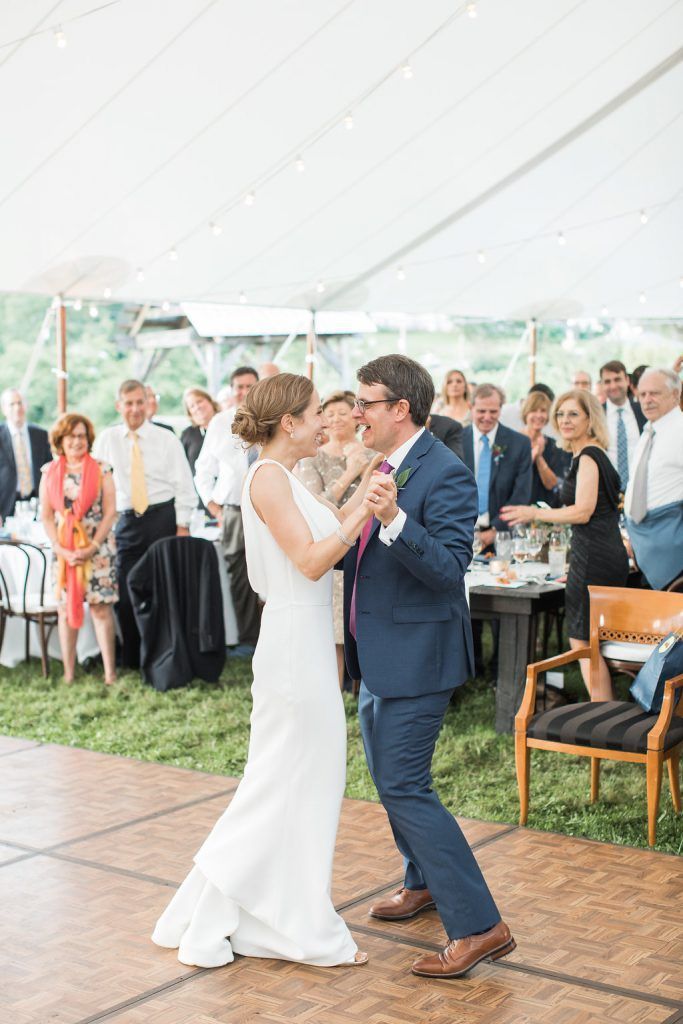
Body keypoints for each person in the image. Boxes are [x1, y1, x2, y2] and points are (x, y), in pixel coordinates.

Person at [152, 373, 378, 968]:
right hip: (295, 645)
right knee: (284, 780)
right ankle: (276, 919)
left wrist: (373, 488)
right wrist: (360, 518)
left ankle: (272, 911)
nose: (325, 422)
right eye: (315, 414)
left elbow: (332, 523)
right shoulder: (269, 479)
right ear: (289, 424)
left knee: (305, 780)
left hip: (301, 640)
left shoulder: (286, 478)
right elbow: (310, 561)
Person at [344, 355, 513, 979]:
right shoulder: (386, 462)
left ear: (400, 409)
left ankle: (480, 926)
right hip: (378, 653)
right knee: (390, 780)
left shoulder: (446, 472)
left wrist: (393, 519)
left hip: (420, 658)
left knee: (405, 785)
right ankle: (420, 883)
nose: (355, 412)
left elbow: (448, 569)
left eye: (366, 402)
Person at [502, 389, 628, 700]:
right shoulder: (593, 454)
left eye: (573, 414)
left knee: (584, 645)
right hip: (605, 553)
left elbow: (583, 511)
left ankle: (604, 717)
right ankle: (608, 712)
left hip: (592, 559)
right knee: (593, 644)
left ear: (590, 419)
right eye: (560, 414)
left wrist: (535, 513)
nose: (564, 420)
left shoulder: (588, 456)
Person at [93, 380, 196, 669]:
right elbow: (97, 487)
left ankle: (165, 657)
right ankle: (133, 659)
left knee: (163, 593)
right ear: (119, 406)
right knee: (125, 595)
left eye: (140, 402)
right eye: (129, 403)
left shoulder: (166, 439)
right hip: (125, 524)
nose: (135, 408)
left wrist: (183, 525)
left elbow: (185, 486)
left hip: (162, 519)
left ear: (148, 404)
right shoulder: (106, 440)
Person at [296, 389, 375, 686]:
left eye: (343, 412)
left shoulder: (373, 453)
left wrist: (364, 465)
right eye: (328, 414)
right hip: (330, 542)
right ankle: (335, 681)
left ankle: (362, 681)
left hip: (366, 540)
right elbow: (316, 505)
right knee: (333, 621)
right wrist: (350, 473)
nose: (336, 419)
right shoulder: (312, 458)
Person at [40, 414, 118, 686]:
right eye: (71, 436)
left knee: (100, 609)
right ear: (60, 440)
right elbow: (47, 516)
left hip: (98, 550)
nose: (77, 441)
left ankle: (110, 674)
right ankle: (69, 673)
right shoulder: (49, 472)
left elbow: (110, 513)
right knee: (65, 611)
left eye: (82, 436)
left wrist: (93, 546)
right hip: (64, 553)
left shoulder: (102, 469)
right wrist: (61, 548)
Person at [194, 370, 261, 657]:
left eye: (250, 386)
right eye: (239, 387)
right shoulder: (220, 422)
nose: (244, 391)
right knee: (239, 571)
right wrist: (212, 503)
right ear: (231, 390)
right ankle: (248, 639)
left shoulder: (273, 417)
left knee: (272, 568)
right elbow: (203, 469)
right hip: (234, 508)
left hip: (269, 503)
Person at [624, 369, 683, 590]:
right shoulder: (648, 431)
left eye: (655, 393)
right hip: (643, 546)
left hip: (674, 551)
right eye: (643, 394)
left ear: (676, 394)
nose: (647, 400)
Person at [461, 383, 532, 552]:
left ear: (501, 409)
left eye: (493, 412)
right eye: (481, 411)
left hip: (502, 537)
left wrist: (494, 531)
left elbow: (521, 494)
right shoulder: (455, 440)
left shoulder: (519, 443)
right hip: (461, 534)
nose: (487, 417)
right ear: (471, 408)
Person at [0, 388, 52, 522]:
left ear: (26, 406)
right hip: (5, 504)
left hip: (37, 503)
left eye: (20, 403)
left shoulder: (41, 435)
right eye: (12, 404)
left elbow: (50, 469)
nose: (17, 408)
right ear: (4, 409)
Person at [599, 360, 645, 490]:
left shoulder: (643, 412)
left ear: (627, 380)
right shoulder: (595, 416)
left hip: (641, 490)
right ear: (602, 385)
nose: (613, 386)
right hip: (607, 492)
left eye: (617, 379)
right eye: (607, 382)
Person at [520, 391, 570, 507]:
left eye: (543, 411)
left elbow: (552, 484)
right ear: (526, 413)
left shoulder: (555, 445)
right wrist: (532, 455)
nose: (539, 415)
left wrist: (539, 457)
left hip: (546, 511)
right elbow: (512, 481)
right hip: (519, 508)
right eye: (534, 410)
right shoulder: (513, 442)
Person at [180, 387, 219, 474]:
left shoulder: (227, 427)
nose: (197, 407)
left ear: (210, 401)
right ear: (189, 413)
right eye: (192, 406)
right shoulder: (187, 434)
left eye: (199, 401)